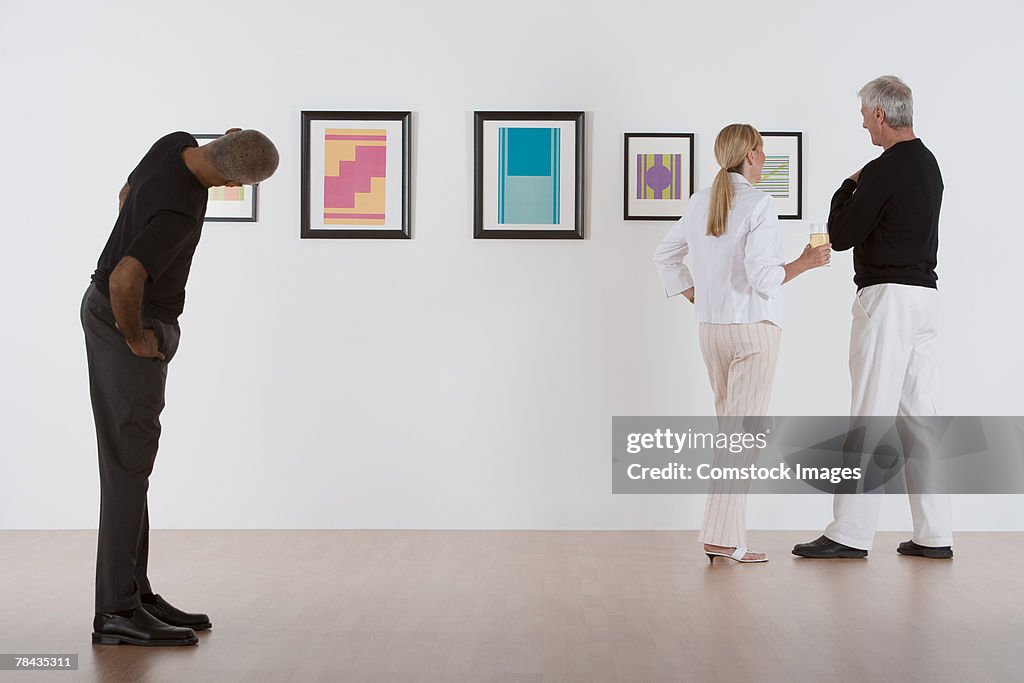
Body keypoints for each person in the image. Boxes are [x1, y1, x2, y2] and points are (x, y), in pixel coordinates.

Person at [82, 129, 279, 645]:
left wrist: (131, 236)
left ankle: (136, 593)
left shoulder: (175, 142)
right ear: (234, 182)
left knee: (133, 461)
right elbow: (127, 279)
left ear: (228, 134)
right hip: (125, 318)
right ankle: (115, 612)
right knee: (128, 463)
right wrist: (137, 338)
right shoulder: (181, 210)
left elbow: (127, 195)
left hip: (117, 308)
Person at [792, 75, 952, 560]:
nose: (863, 124)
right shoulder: (929, 165)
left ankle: (850, 533)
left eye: (865, 115)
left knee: (869, 414)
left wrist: (847, 184)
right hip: (925, 300)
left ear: (881, 114)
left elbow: (840, 236)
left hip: (886, 300)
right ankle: (934, 534)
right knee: (920, 419)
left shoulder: (883, 169)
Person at [654, 124, 830, 564]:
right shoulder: (759, 202)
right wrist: (806, 263)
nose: (765, 158)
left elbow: (665, 255)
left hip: (711, 330)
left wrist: (697, 295)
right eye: (762, 151)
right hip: (753, 329)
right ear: (750, 154)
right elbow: (764, 278)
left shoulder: (700, 201)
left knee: (730, 436)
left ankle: (725, 536)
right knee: (741, 440)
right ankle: (723, 539)